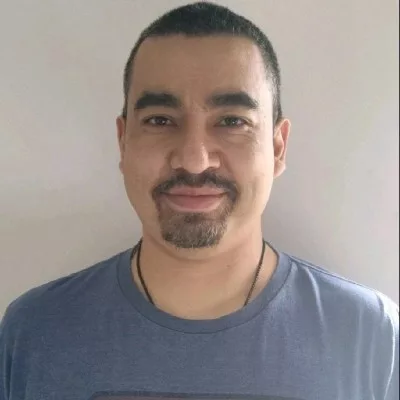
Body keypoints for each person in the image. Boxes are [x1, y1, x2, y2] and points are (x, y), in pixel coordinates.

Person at [0, 2, 398, 400]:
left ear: (277, 147)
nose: (194, 160)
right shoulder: (33, 334)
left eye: (232, 121)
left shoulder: (371, 337)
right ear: (123, 142)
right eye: (160, 120)